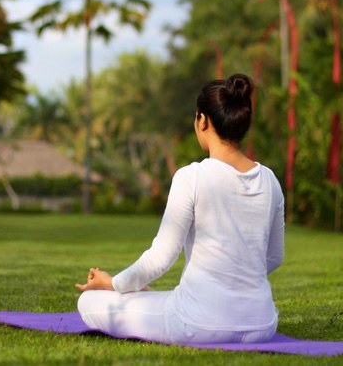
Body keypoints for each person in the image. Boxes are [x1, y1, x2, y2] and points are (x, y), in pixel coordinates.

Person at [75, 73, 285, 345]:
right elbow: (274, 257)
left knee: (89, 301)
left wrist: (112, 284)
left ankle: (128, 291)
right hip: (262, 324)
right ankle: (143, 294)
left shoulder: (193, 176)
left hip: (199, 322)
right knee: (157, 297)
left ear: (202, 120)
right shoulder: (270, 180)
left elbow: (160, 258)